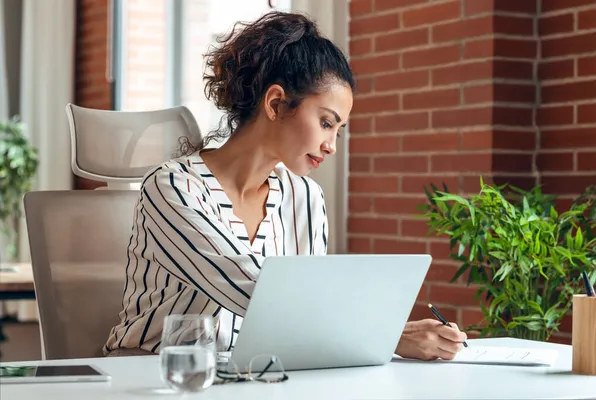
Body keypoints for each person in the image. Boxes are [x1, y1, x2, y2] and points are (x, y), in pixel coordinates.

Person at [104, 11, 467, 361]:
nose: (332, 145)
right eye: (326, 123)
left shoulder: (305, 197)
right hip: (150, 375)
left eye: (340, 130)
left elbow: (304, 315)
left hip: (245, 378)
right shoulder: (172, 188)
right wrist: (393, 334)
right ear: (276, 104)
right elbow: (258, 293)